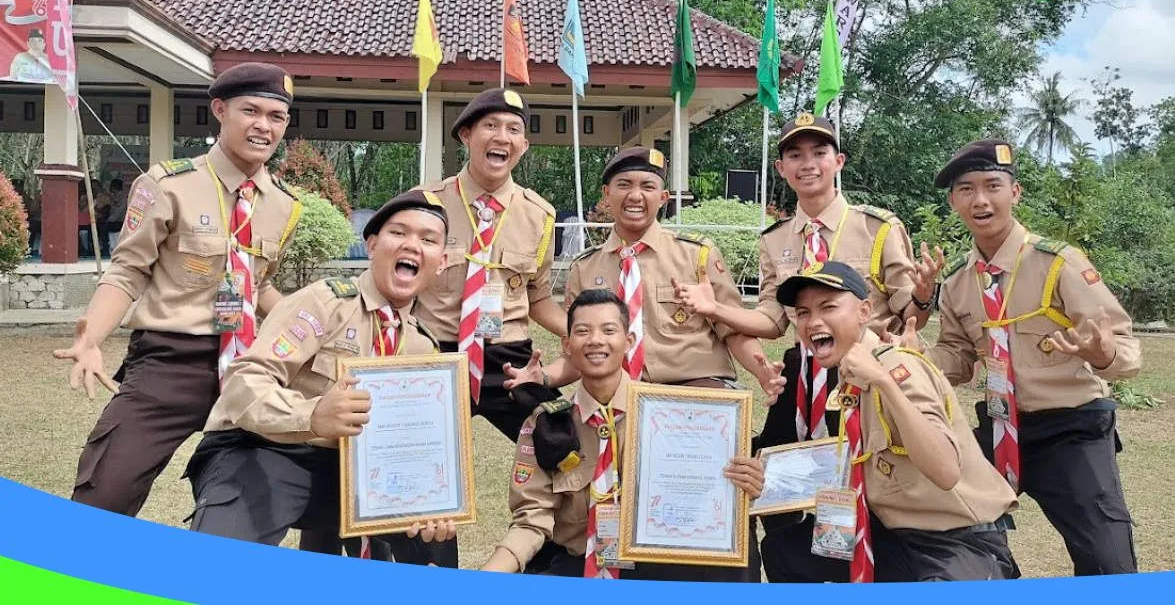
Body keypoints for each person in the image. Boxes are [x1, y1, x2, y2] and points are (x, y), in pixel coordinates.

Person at [54, 62, 303, 517]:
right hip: (169, 365)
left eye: (276, 117)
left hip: (248, 367)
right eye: (251, 111)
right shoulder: (168, 185)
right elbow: (128, 271)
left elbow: (259, 284)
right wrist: (91, 338)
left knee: (250, 505)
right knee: (104, 495)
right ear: (220, 110)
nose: (263, 126)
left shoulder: (285, 205)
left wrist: (309, 327)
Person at [185, 187, 456, 558]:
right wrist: (311, 414)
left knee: (432, 538)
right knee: (219, 557)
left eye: (428, 240)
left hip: (352, 471)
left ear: (441, 262)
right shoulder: (324, 302)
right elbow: (243, 383)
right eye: (398, 233)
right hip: (265, 449)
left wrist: (432, 498)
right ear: (372, 245)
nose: (412, 245)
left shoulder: (422, 345)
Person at [928, 139, 1140, 576]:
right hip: (999, 426)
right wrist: (920, 359)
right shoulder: (957, 285)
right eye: (966, 189)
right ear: (953, 202)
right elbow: (958, 358)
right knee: (949, 531)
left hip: (1070, 428)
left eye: (992, 185)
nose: (980, 200)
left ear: (1015, 192)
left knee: (1108, 559)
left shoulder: (1059, 264)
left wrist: (1102, 354)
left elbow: (1126, 350)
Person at [673, 113, 942, 444]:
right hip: (802, 371)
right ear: (781, 168)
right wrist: (713, 308)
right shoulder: (775, 239)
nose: (808, 164)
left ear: (838, 161)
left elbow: (909, 317)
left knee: (862, 469)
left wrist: (923, 295)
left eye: (819, 152)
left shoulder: (878, 229)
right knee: (778, 470)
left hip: (865, 368)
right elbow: (771, 320)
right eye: (795, 155)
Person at [759, 260, 1019, 582]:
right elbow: (847, 474)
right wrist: (767, 480)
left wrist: (885, 383)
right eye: (803, 313)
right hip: (889, 535)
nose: (813, 322)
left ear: (864, 312)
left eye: (828, 307)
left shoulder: (898, 368)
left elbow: (947, 470)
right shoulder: (845, 380)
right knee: (785, 550)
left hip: (957, 540)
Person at [481, 288, 765, 580]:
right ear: (567, 345)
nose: (595, 341)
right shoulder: (546, 425)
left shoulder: (675, 419)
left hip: (658, 570)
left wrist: (746, 486)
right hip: (583, 568)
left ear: (628, 341)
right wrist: (481, 582)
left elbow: (709, 502)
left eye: (608, 330)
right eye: (583, 331)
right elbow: (531, 521)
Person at [515, 146, 784, 401]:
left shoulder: (696, 255)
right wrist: (543, 377)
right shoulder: (585, 267)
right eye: (624, 185)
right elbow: (582, 351)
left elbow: (733, 330)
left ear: (663, 198)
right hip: (616, 394)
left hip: (694, 389)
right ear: (606, 195)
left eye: (647, 186)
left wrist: (762, 372)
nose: (635, 196)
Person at [415, 87, 566, 442]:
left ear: (524, 145)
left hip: (509, 359)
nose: (502, 137)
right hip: (438, 350)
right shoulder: (426, 204)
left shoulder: (540, 215)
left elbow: (539, 298)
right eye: (491, 126)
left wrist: (577, 331)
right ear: (466, 135)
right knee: (407, 448)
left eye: (514, 129)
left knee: (562, 445)